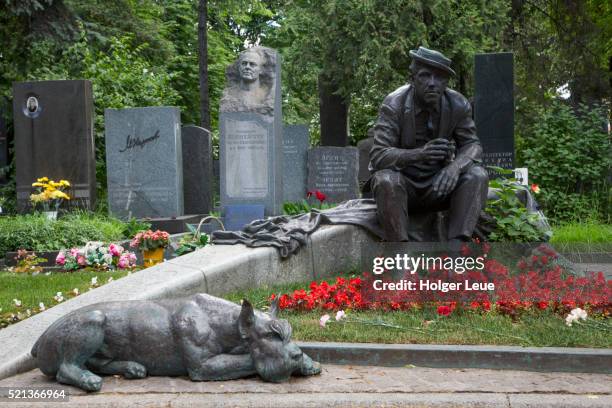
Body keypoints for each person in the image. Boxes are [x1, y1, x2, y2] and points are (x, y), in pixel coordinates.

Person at [368, 46, 488, 243]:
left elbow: (472, 145)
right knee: (385, 179)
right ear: (412, 78)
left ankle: (457, 251)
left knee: (478, 175)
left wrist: (454, 168)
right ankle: (399, 257)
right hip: (404, 187)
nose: (433, 84)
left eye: (439, 78)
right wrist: (418, 154)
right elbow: (379, 155)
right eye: (425, 76)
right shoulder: (394, 104)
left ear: (446, 82)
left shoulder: (458, 104)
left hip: (439, 184)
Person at [220, 47, 273, 115]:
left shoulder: (267, 96)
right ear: (239, 67)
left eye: (252, 64)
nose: (247, 67)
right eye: (244, 63)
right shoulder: (228, 94)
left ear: (261, 70)